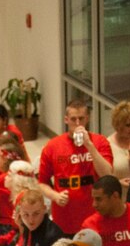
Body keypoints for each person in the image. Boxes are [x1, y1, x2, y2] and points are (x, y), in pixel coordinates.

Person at [37, 99, 112, 236]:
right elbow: (42, 183)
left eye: (81, 119)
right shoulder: (52, 146)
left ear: (87, 119)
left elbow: (107, 174)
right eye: (73, 119)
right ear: (66, 120)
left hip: (94, 214)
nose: (77, 123)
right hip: (65, 218)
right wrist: (55, 196)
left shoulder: (100, 142)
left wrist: (89, 145)